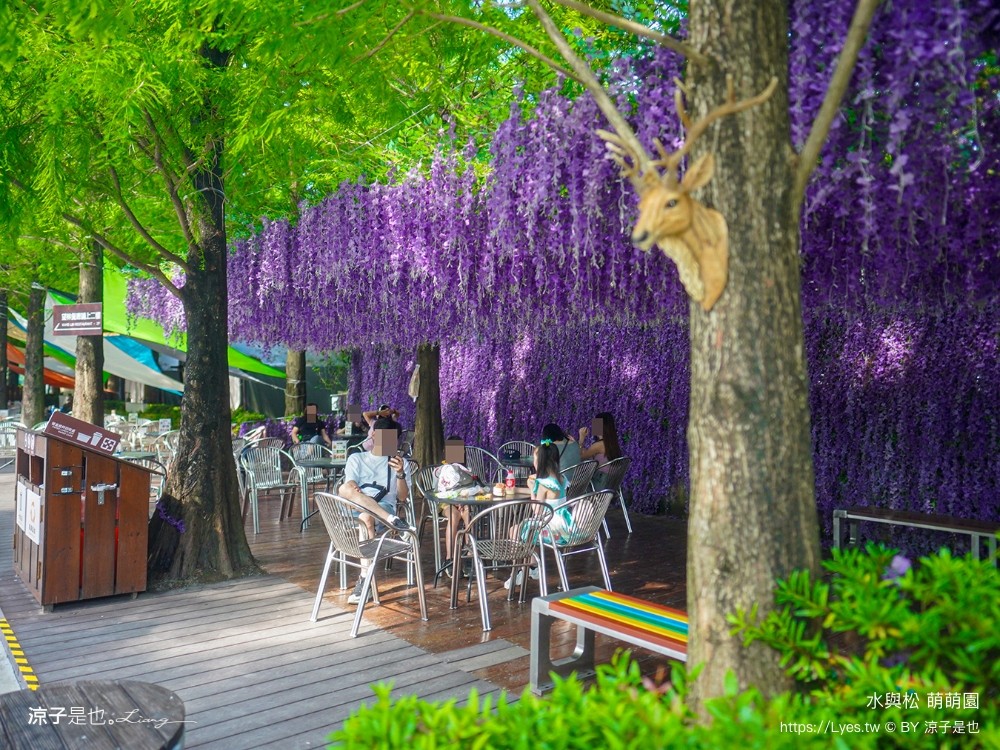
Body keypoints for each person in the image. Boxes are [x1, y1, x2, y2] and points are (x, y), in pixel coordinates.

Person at [337, 416, 414, 603]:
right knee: (344, 488)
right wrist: (355, 487)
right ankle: (392, 520)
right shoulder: (357, 458)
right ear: (373, 434)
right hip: (356, 505)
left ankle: (364, 580)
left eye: (390, 439)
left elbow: (402, 498)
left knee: (366, 517)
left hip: (382, 505)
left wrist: (400, 474)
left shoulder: (400, 462)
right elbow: (350, 486)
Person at [505, 438, 567, 590]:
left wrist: (533, 489)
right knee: (529, 528)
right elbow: (548, 499)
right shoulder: (562, 479)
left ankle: (518, 569)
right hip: (562, 524)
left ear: (541, 462)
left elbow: (537, 509)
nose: (533, 462)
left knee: (515, 530)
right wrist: (521, 489)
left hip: (550, 529)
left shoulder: (542, 484)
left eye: (535, 458)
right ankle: (533, 567)